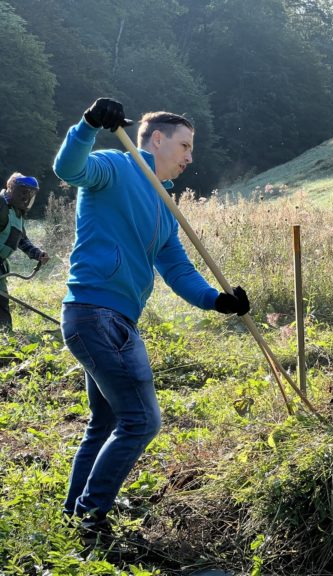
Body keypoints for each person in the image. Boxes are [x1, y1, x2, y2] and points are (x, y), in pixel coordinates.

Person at [53, 98, 251, 541]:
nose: (189, 157)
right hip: (94, 313)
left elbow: (178, 269)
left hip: (116, 319)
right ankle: (91, 519)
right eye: (184, 146)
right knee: (142, 421)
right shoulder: (116, 167)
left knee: (105, 422)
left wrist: (218, 301)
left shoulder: (165, 207)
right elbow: (68, 170)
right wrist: (86, 125)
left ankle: (74, 514)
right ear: (157, 139)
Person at [0, 173, 50, 329]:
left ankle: (6, 340)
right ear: (12, 188)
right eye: (23, 192)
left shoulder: (16, 213)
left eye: (30, 193)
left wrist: (37, 254)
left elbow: (21, 240)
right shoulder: (1, 205)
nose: (26, 197)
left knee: (2, 304)